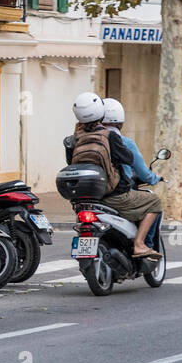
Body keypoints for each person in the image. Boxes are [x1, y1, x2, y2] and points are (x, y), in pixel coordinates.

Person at [65, 92, 160, 258]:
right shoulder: (111, 137)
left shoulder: (72, 140)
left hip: (84, 200)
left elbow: (71, 163)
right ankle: (139, 244)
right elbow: (129, 159)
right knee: (154, 202)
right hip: (113, 196)